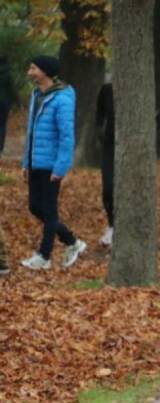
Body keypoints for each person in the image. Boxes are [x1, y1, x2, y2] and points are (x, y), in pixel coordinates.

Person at [20, 55, 86, 271]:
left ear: (45, 72)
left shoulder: (62, 98)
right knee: (35, 207)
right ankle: (72, 242)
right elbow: (31, 132)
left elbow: (67, 136)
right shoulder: (37, 94)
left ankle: (44, 256)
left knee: (49, 210)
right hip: (35, 163)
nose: (29, 72)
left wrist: (60, 167)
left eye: (33, 68)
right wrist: (26, 162)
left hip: (51, 165)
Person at [96, 79, 115, 247]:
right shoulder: (107, 89)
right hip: (110, 147)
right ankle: (112, 224)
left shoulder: (143, 86)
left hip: (134, 147)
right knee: (108, 188)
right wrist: (101, 133)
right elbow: (99, 114)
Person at [0, 54, 17, 156]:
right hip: (5, 102)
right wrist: (18, 102)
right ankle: (1, 147)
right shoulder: (8, 74)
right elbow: (12, 89)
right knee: (2, 125)